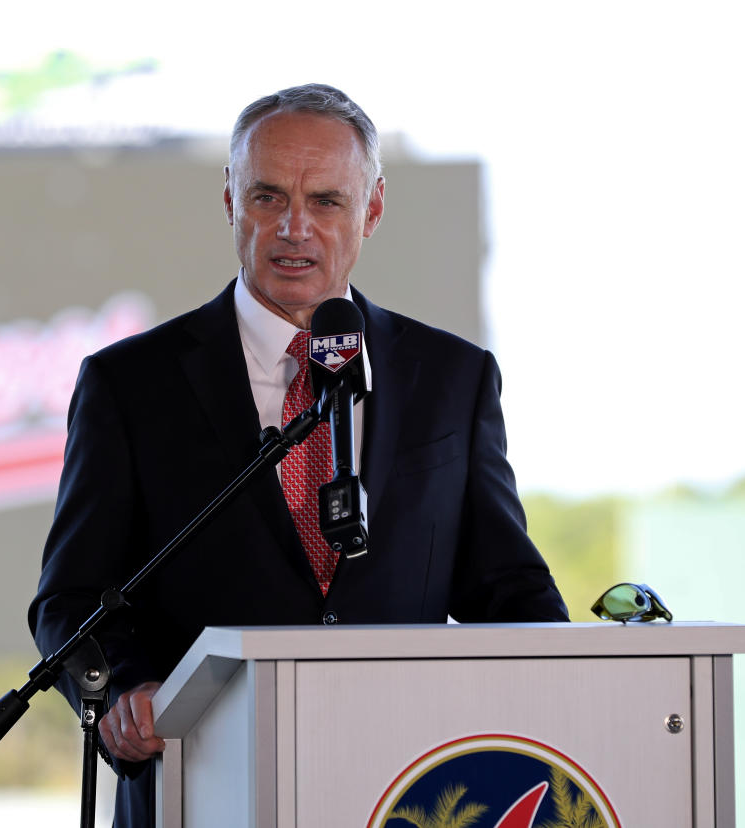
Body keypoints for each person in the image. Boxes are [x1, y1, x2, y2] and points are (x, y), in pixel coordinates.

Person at [28, 83, 568, 826]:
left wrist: (579, 689)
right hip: (200, 788)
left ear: (372, 209)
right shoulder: (131, 385)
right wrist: (123, 688)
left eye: (326, 202)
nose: (293, 228)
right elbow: (72, 597)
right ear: (228, 200)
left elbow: (507, 590)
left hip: (402, 792)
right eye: (266, 197)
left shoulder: (451, 379)